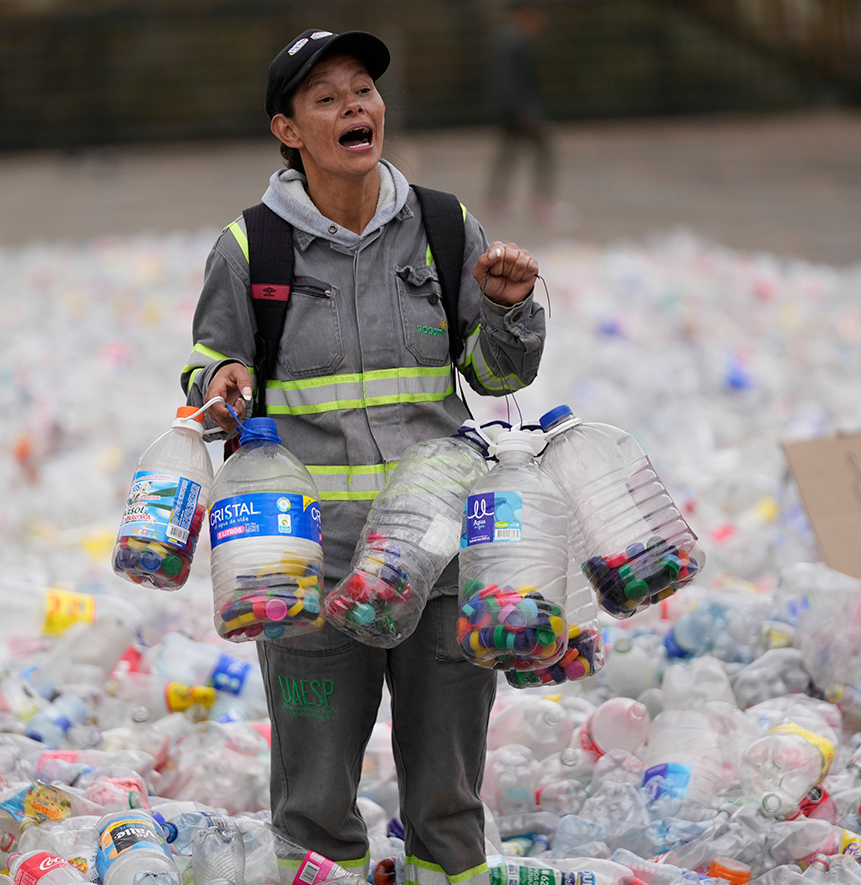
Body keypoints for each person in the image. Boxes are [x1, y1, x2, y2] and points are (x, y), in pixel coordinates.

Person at [181, 29, 545, 885]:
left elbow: (497, 376)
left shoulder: (445, 226)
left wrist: (510, 310)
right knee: (313, 801)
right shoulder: (252, 247)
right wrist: (221, 380)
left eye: (363, 90)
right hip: (311, 568)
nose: (355, 105)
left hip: (440, 558)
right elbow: (210, 365)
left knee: (449, 800)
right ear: (288, 130)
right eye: (327, 97)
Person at [485, 1, 558, 224]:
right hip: (518, 111)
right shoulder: (515, 41)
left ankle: (498, 202)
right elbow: (511, 81)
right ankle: (541, 202)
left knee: (507, 154)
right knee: (541, 149)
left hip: (510, 109)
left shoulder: (505, 38)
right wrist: (524, 112)